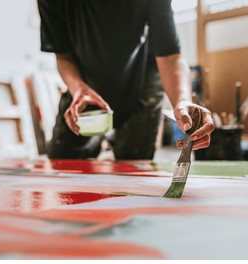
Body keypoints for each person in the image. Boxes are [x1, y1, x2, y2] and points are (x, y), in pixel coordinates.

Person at [37, 0, 214, 160]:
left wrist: (182, 100)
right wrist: (78, 89)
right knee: (63, 161)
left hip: (142, 76)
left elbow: (170, 57)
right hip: (85, 82)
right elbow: (63, 56)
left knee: (134, 161)